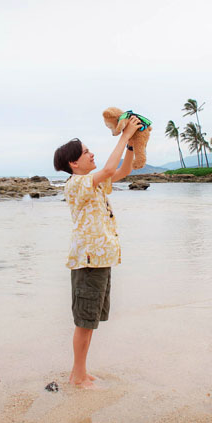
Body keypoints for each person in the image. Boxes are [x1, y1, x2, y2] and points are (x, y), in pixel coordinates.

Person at [52, 116, 141, 388]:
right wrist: (124, 134)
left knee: (90, 321)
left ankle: (79, 372)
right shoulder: (76, 183)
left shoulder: (94, 182)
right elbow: (109, 168)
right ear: (73, 163)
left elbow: (122, 170)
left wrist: (131, 144)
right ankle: (78, 376)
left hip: (101, 260)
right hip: (88, 261)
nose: (92, 154)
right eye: (86, 152)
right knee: (84, 321)